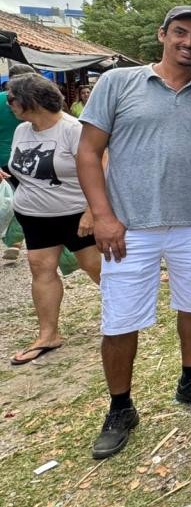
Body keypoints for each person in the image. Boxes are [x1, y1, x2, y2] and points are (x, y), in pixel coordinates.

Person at [77, 5, 191, 459]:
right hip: (130, 227)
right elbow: (89, 152)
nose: (189, 43)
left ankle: (190, 380)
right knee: (120, 319)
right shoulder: (118, 83)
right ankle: (121, 407)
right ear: (162, 34)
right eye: (180, 33)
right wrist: (102, 215)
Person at [4, 74, 101, 364]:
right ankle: (48, 334)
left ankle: (127, 316)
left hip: (74, 214)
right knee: (40, 269)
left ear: (30, 101)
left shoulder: (73, 130)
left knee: (94, 267)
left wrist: (92, 210)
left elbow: (102, 167)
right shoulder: (23, 130)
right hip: (35, 217)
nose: (9, 104)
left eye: (12, 99)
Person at [0, 62, 38, 261]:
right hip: (34, 159)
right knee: (27, 198)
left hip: (3, 160)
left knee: (12, 198)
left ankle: (15, 241)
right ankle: (17, 240)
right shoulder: (37, 101)